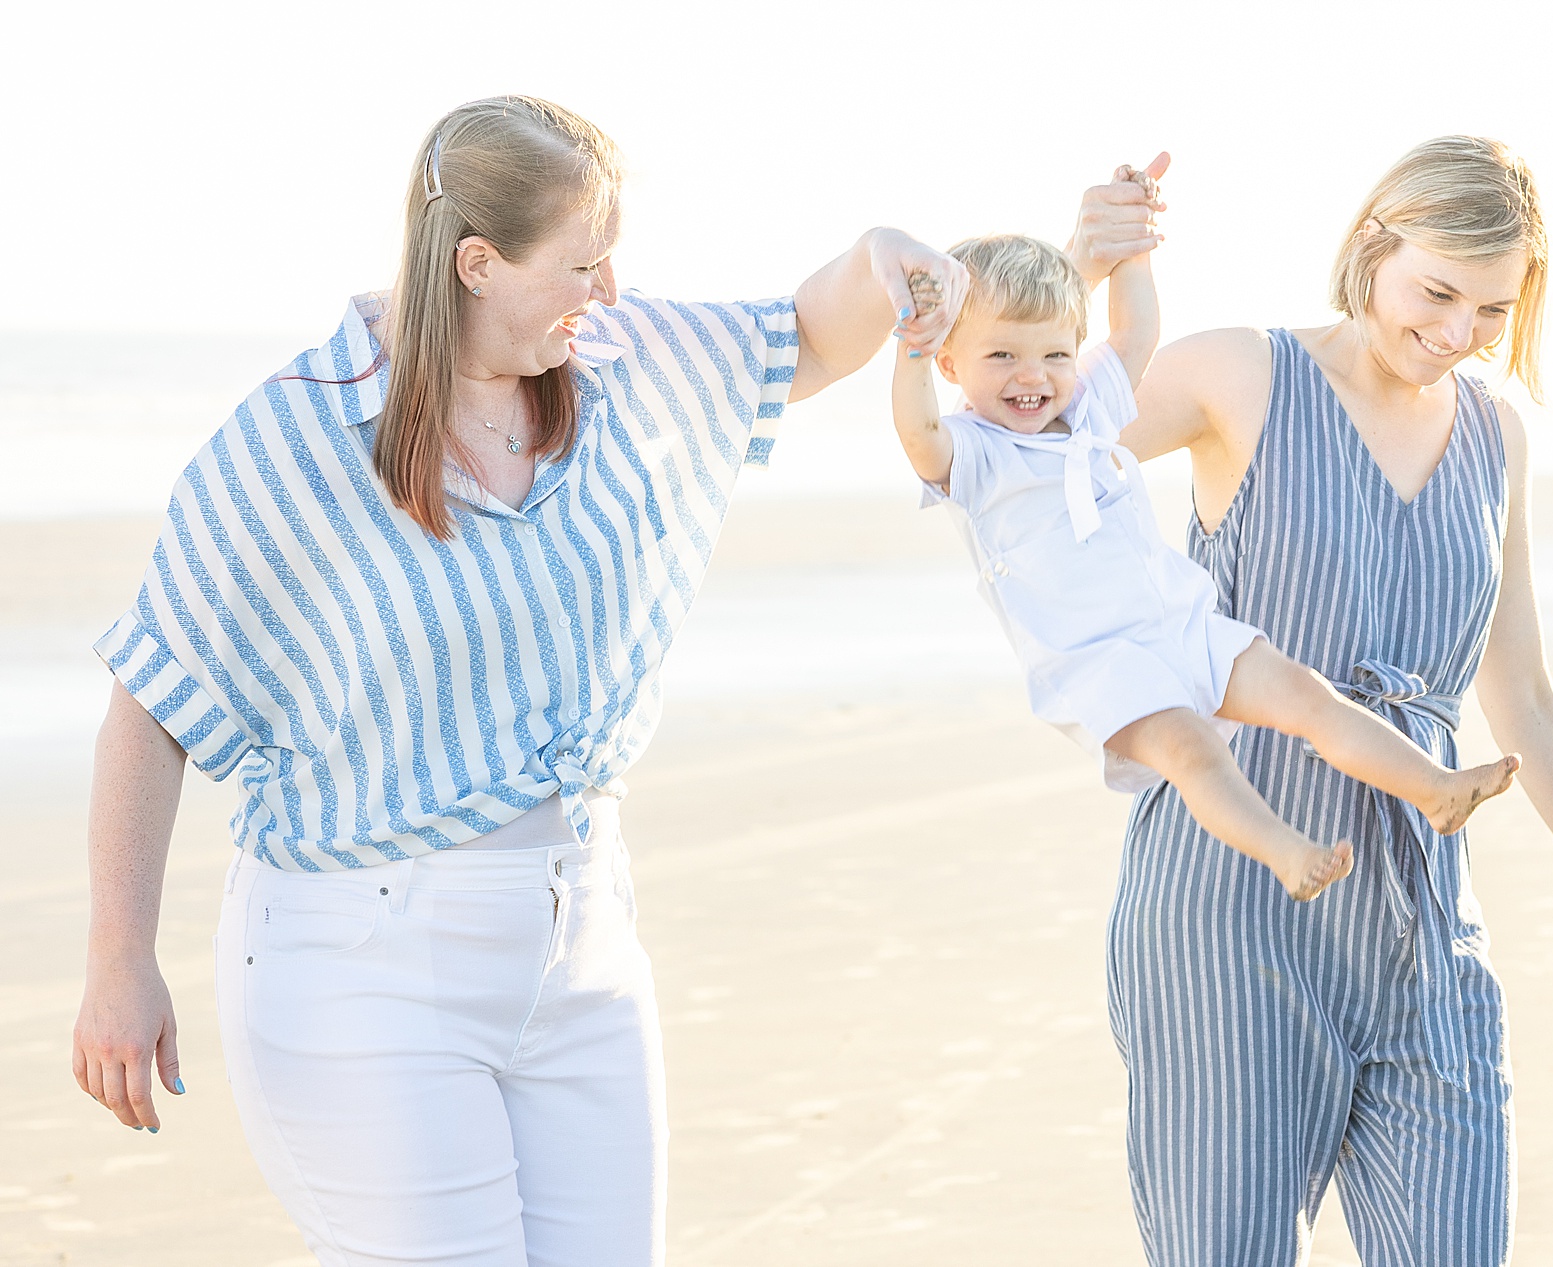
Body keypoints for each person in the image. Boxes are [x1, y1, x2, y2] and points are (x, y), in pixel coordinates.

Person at [70, 95, 976, 1267]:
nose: (609, 292)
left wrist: (885, 257)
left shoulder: (620, 365)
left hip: (586, 949)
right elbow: (150, 705)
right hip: (363, 974)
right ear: (477, 264)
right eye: (583, 265)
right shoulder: (292, 443)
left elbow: (803, 331)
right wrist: (117, 962)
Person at [1071, 137, 1553, 1265]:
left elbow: (1523, 694)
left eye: (1492, 308)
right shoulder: (1238, 373)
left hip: (1420, 917)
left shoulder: (1496, 435)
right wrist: (1083, 270)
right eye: (1436, 292)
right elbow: (1038, 450)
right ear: (1372, 246)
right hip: (1232, 897)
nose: (1457, 333)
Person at [891, 215, 1522, 903]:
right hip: (1101, 663)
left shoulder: (1088, 409)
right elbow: (918, 433)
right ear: (952, 364)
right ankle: (1286, 852)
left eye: (1054, 355)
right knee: (1194, 749)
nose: (1032, 377)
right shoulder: (977, 453)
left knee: (1307, 692)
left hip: (1181, 622)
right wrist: (912, 349)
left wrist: (1133, 243)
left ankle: (1435, 789)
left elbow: (1135, 333)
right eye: (1002, 357)